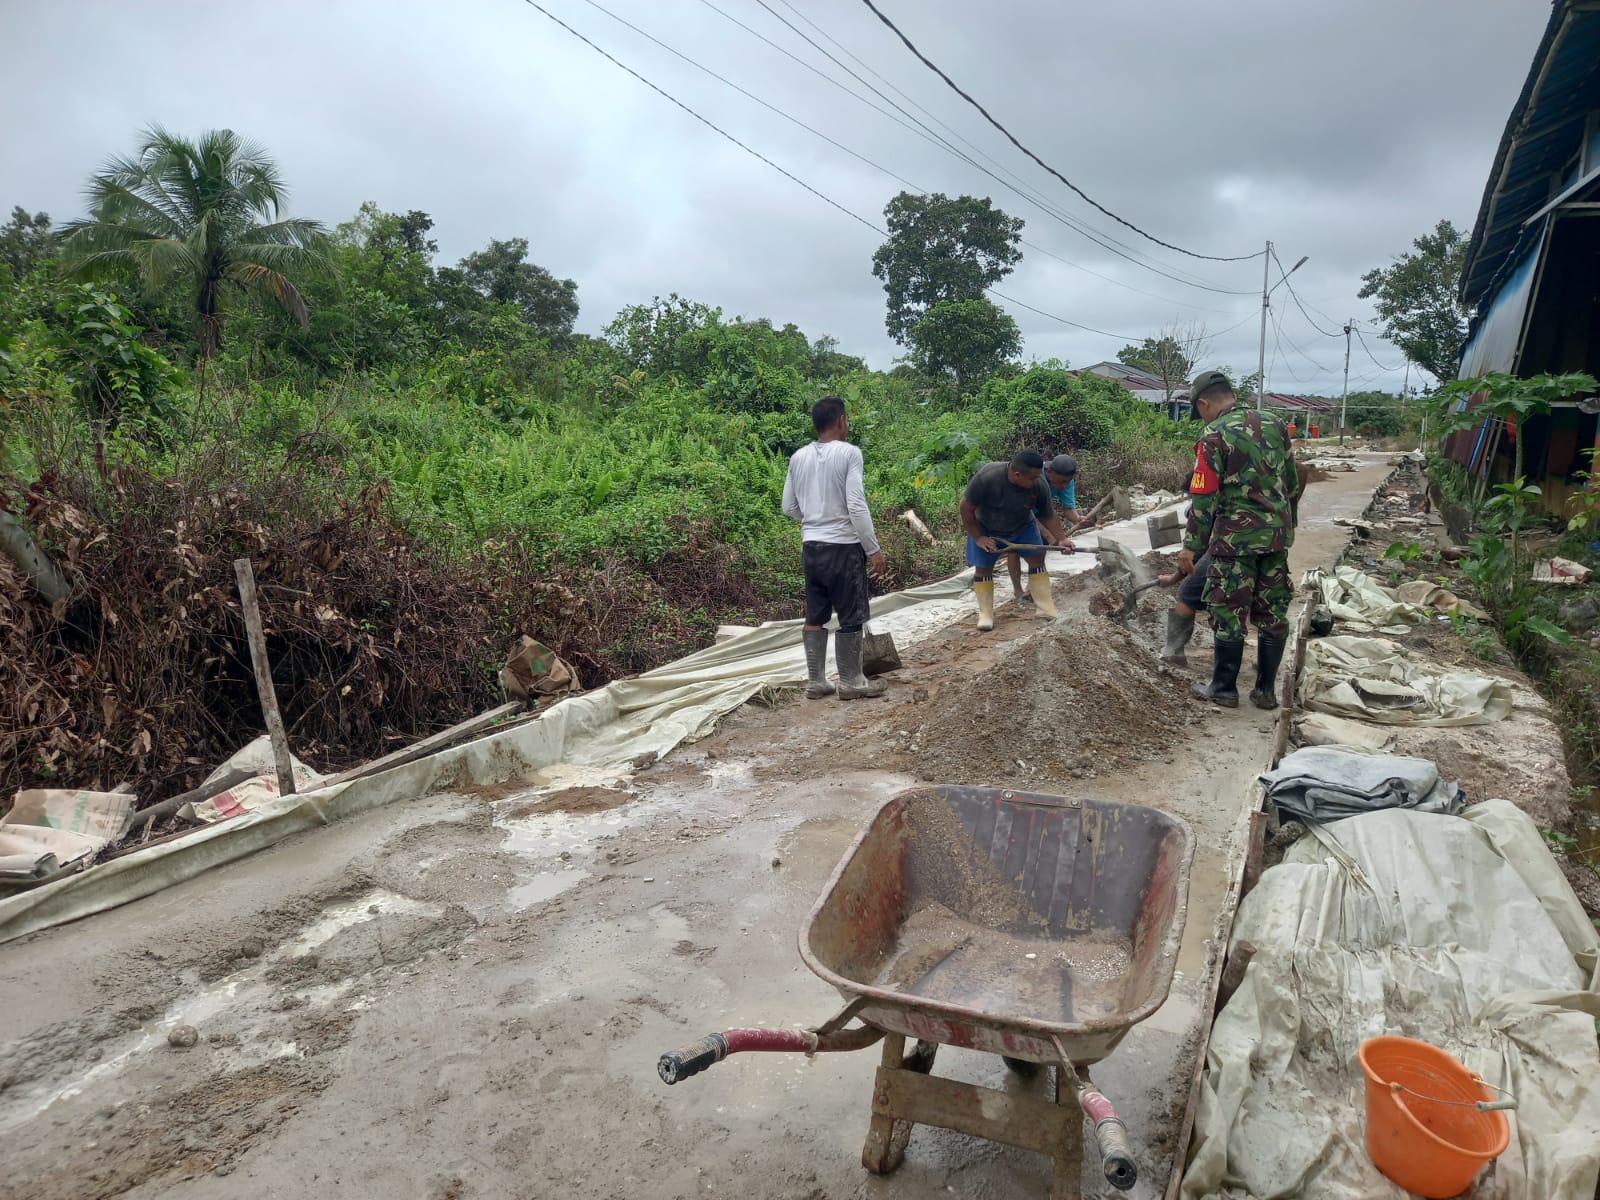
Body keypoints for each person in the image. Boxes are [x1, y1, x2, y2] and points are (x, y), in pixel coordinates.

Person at [1177, 370, 1303, 709]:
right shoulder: (1276, 424)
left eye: (1198, 410)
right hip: (1276, 538)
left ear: (1204, 403)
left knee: (1229, 610)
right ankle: (1265, 691)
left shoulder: (1214, 436)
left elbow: (1203, 496)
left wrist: (1192, 546)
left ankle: (1223, 688)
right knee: (1273, 611)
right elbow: (1292, 481)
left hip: (1235, 543)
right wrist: (1284, 524)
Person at [782, 395, 888, 700]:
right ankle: (852, 681)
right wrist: (873, 548)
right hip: (843, 547)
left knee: (815, 614)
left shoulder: (798, 457)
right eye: (847, 419)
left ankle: (816, 681)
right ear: (841, 421)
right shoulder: (850, 453)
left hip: (811, 545)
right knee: (851, 614)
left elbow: (789, 506)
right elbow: (856, 504)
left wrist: (815, 520)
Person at [960, 450, 1076, 631]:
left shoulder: (1039, 485)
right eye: (1032, 478)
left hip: (1022, 525)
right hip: (986, 526)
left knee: (1037, 558)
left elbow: (1048, 515)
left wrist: (1061, 539)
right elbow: (966, 508)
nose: (1037, 481)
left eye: (1039, 476)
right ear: (1017, 474)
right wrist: (979, 537)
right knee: (983, 567)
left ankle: (1045, 608)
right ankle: (985, 615)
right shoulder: (988, 476)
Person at [1006, 454, 1082, 605]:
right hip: (1016, 511)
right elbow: (1028, 514)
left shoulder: (1066, 481)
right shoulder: (1033, 478)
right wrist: (1051, 536)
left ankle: (1033, 586)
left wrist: (1079, 519)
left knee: (1039, 551)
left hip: (1041, 512)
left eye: (1067, 482)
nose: (1064, 486)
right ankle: (1017, 590)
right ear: (1049, 472)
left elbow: (1068, 510)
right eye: (1060, 482)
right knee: (1014, 549)